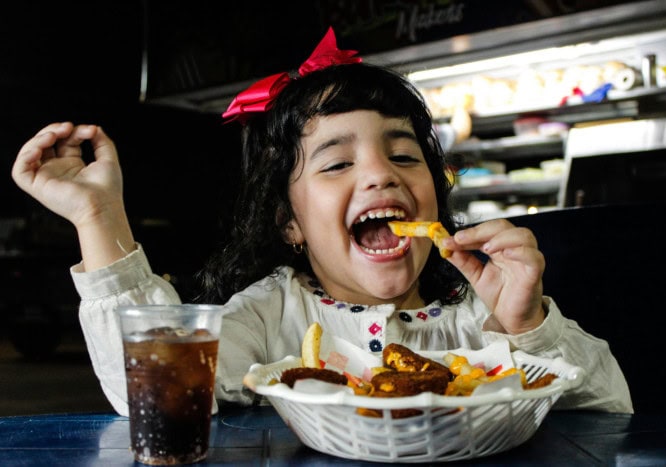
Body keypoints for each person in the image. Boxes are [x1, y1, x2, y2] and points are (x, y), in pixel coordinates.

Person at [11, 28, 632, 416]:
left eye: (405, 155)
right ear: (290, 224)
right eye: (336, 163)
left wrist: (525, 326)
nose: (380, 175)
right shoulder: (271, 314)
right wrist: (98, 216)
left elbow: (612, 408)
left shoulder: (479, 314)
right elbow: (159, 388)